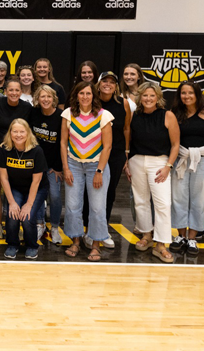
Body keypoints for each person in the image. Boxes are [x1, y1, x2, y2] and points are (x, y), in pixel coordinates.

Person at [125, 82, 179, 263]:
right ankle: (147, 235)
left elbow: (175, 145)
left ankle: (161, 244)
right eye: (145, 95)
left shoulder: (167, 115)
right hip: (137, 160)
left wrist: (168, 166)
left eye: (152, 95)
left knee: (163, 203)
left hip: (159, 162)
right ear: (140, 97)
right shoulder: (134, 115)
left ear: (158, 97)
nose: (148, 99)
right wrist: (127, 161)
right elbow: (128, 139)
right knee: (140, 201)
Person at [60, 81, 114, 262]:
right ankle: (76, 241)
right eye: (81, 93)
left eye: (88, 93)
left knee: (97, 207)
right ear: (76, 95)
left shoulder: (104, 115)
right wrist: (66, 168)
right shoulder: (68, 114)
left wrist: (99, 171)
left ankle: (96, 245)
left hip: (96, 166)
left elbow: (107, 147)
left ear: (94, 95)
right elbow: (63, 143)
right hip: (73, 164)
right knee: (72, 206)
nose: (85, 97)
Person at [170, 81, 204, 255]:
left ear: (198, 94)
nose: (187, 96)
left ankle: (192, 238)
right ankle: (180, 236)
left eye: (190, 93)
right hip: (181, 160)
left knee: (199, 200)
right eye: (183, 93)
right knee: (178, 198)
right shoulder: (175, 114)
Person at [0, 78, 32, 239]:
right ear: (5, 91)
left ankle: (15, 226)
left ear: (21, 92)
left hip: (16, 154)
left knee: (15, 190)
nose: (13, 93)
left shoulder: (27, 107)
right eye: (10, 90)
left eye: (17, 90)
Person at [0, 119, 47, 260]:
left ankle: (32, 245)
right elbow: (4, 179)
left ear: (28, 133)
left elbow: (36, 181)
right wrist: (12, 202)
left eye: (22, 131)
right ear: (10, 133)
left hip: (37, 188)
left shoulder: (37, 151)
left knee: (27, 216)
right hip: (15, 188)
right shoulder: (4, 149)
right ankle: (12, 244)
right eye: (15, 131)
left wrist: (29, 204)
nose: (18, 135)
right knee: (12, 214)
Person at [96, 71, 132, 247]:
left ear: (116, 86)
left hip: (116, 152)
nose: (108, 84)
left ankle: (102, 229)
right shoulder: (92, 101)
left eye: (112, 82)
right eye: (105, 81)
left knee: (109, 191)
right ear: (99, 83)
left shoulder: (123, 103)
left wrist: (126, 152)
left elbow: (126, 128)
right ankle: (89, 227)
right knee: (92, 191)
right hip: (94, 153)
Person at [30, 85, 63, 245]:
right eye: (42, 96)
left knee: (55, 196)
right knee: (38, 195)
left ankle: (55, 227)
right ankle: (40, 224)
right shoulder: (33, 113)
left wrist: (59, 167)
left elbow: (63, 143)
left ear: (54, 99)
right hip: (36, 165)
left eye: (49, 96)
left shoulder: (60, 116)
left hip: (53, 166)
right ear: (37, 98)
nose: (46, 99)